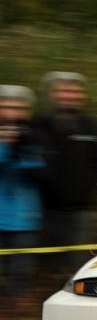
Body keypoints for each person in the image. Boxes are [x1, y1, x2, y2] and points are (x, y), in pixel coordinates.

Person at [35, 72, 97, 274]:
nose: (68, 96)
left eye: (74, 91)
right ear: (52, 94)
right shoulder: (39, 125)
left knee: (81, 268)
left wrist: (92, 189)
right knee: (47, 268)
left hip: (83, 213)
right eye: (63, 91)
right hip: (46, 211)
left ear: (82, 96)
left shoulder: (93, 127)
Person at [0, 86, 45, 305]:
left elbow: (41, 170)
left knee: (22, 271)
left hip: (26, 217)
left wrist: (23, 149)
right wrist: (5, 147)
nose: (12, 112)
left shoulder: (36, 135)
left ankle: (16, 311)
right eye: (6, 106)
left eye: (19, 107)